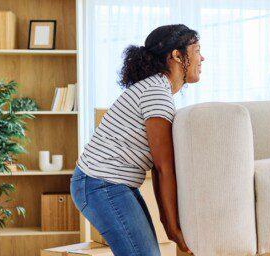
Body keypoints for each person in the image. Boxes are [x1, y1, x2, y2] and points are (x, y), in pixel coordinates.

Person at [70, 24, 204, 255]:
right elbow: (163, 168)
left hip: (105, 183)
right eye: (197, 50)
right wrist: (170, 227)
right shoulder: (156, 93)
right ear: (176, 56)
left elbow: (158, 168)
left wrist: (170, 224)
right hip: (101, 183)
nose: (202, 57)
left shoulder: (156, 89)